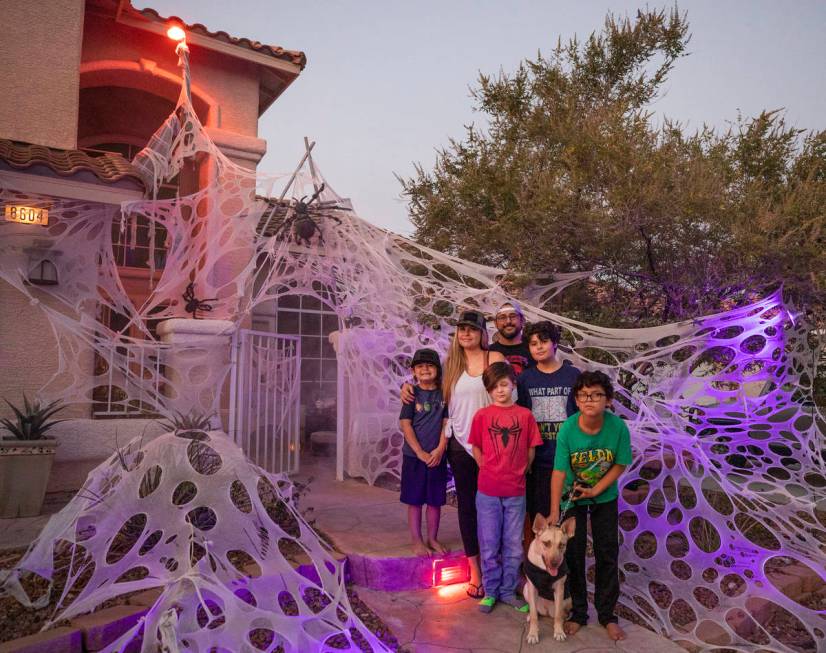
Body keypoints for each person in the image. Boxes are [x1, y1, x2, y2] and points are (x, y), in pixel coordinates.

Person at [549, 371, 632, 641]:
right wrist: (553, 511)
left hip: (604, 497)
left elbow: (620, 462)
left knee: (607, 552)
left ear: (607, 400)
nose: (590, 400)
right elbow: (559, 472)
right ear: (576, 399)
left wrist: (597, 488)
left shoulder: (617, 427)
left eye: (596, 395)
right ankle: (579, 614)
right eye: (584, 395)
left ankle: (607, 615)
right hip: (572, 497)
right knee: (573, 554)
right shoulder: (569, 428)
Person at [440, 310, 506, 598]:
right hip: (460, 446)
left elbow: (507, 398)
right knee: (467, 508)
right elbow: (433, 396)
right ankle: (475, 574)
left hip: (492, 445)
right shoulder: (451, 364)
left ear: (482, 333)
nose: (466, 333)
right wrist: (408, 388)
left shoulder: (495, 359)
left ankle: (500, 573)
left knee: (495, 508)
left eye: (472, 329)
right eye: (461, 329)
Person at [468, 362, 542, 613]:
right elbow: (475, 446)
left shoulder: (525, 416)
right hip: (487, 491)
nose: (500, 390)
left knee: (513, 544)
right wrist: (484, 467)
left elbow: (531, 447)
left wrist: (522, 470)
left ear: (513, 384)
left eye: (504, 385)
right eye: (494, 387)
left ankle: (509, 592)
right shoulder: (481, 416)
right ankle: (490, 592)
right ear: (488, 390)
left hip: (516, 491)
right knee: (489, 543)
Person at [516, 321, 580, 521]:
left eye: (544, 341)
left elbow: (581, 415)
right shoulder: (525, 379)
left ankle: (569, 554)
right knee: (540, 519)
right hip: (539, 462)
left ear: (554, 343)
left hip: (568, 460)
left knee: (568, 519)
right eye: (533, 344)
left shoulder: (573, 375)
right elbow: (522, 419)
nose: (539, 347)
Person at [399, 348, 449, 557]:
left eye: (430, 365)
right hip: (414, 457)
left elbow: (447, 422)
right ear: (413, 371)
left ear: (437, 369)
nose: (425, 369)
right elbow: (406, 424)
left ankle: (432, 538)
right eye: (420, 366)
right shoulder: (411, 394)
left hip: (437, 456)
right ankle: (417, 541)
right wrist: (419, 451)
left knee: (435, 501)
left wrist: (440, 449)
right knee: (415, 500)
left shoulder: (445, 394)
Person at [488, 301, 533, 376]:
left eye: (513, 316)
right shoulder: (488, 352)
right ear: (495, 323)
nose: (508, 321)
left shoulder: (535, 350)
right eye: (502, 317)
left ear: (522, 320)